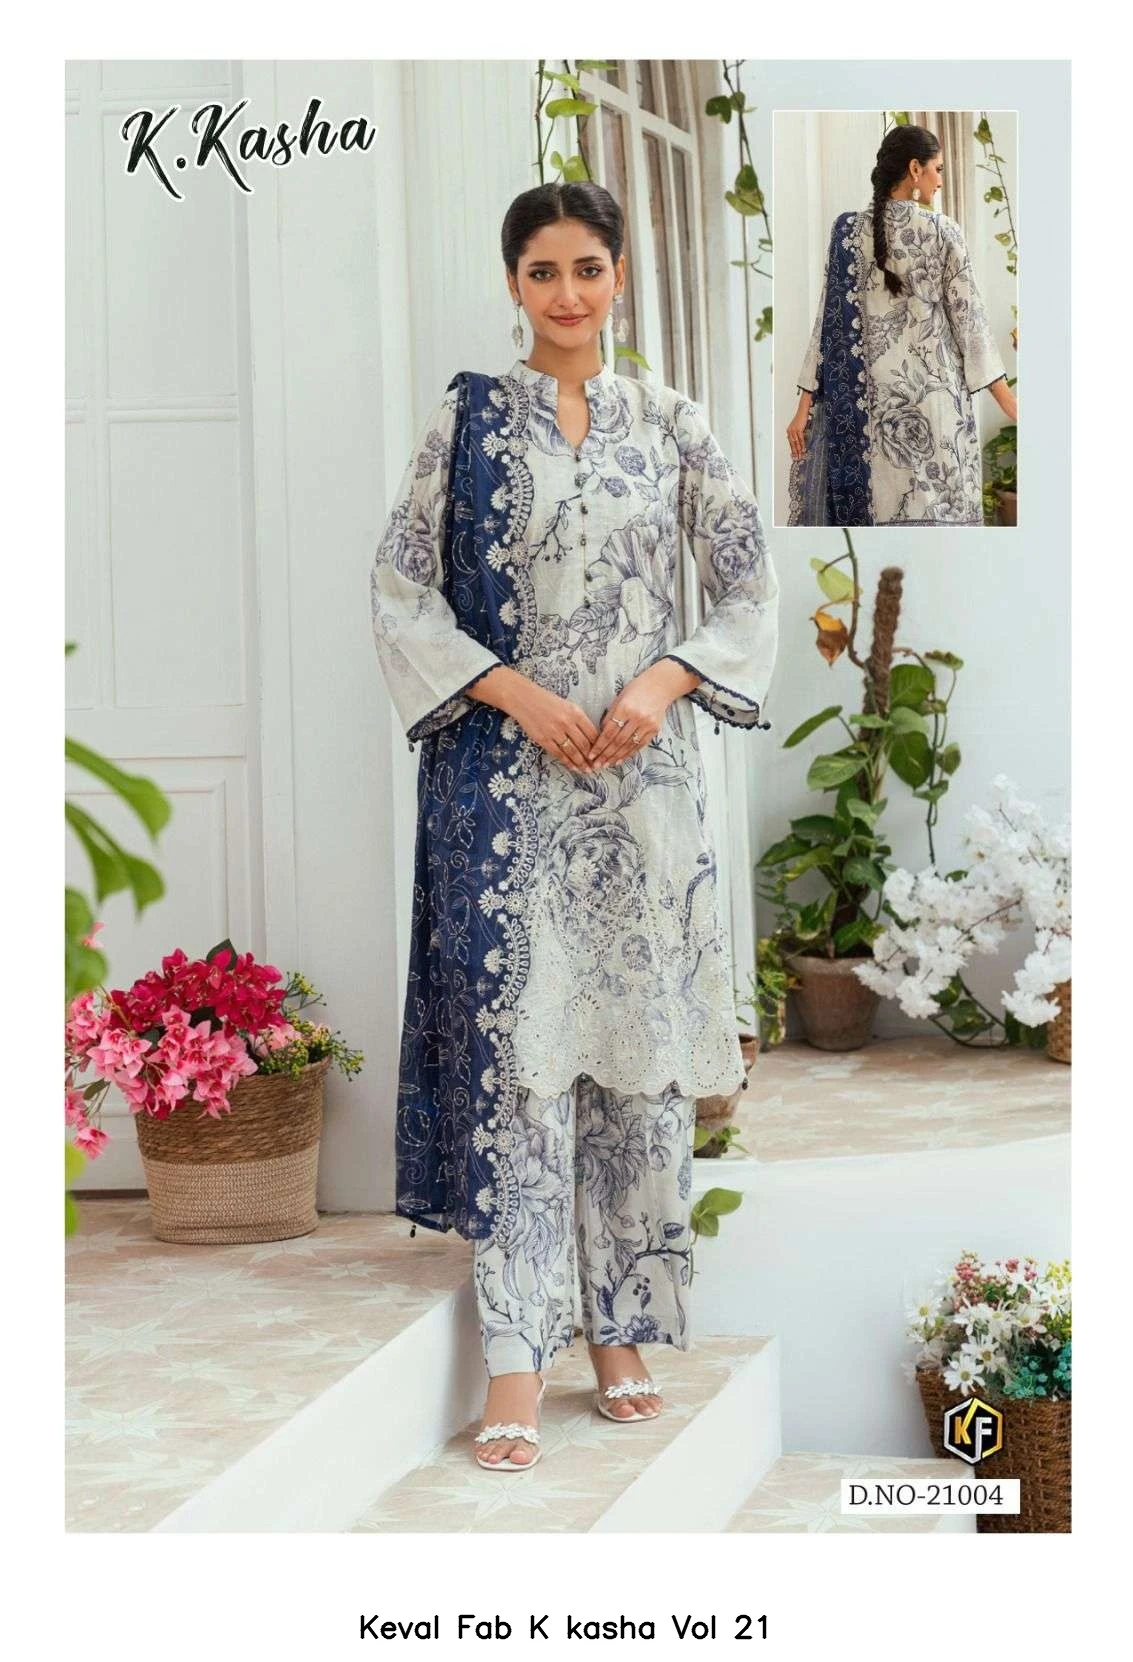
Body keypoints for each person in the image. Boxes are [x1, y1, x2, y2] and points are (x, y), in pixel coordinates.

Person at [370, 181, 778, 1471]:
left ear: (617, 277)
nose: (565, 293)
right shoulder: (465, 421)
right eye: (541, 271)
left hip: (643, 792)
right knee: (523, 1063)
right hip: (504, 789)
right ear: (512, 283)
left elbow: (746, 584)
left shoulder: (671, 423)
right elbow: (399, 590)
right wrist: (515, 695)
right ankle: (516, 1354)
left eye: (586, 268)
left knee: (635, 1061)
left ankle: (624, 1329)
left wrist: (663, 680)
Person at [786, 124, 1018, 527]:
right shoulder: (944, 232)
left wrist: (803, 409)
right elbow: (971, 325)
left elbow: (826, 325)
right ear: (915, 169)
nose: (940, 181)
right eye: (938, 169)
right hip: (940, 417)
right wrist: (1013, 407)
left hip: (873, 424)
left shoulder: (846, 232)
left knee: (877, 545)